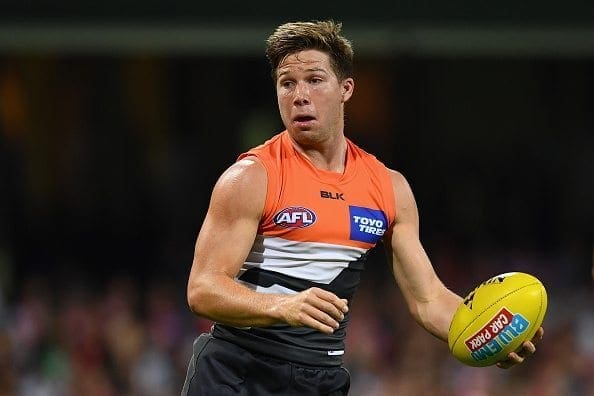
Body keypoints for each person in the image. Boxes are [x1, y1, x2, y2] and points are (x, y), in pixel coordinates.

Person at [181, 20, 544, 395]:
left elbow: (428, 299)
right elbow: (202, 289)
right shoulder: (251, 178)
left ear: (345, 89)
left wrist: (486, 336)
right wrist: (281, 306)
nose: (299, 96)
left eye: (314, 80)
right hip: (235, 373)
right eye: (287, 84)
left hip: (320, 379)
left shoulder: (388, 187)